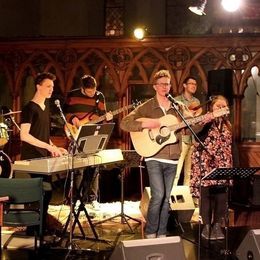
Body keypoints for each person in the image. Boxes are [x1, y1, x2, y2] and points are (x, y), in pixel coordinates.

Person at [120, 70, 206, 238]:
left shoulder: (178, 107)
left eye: (167, 84)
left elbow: (193, 128)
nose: (164, 87)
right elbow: (125, 123)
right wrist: (151, 123)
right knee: (158, 195)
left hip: (173, 157)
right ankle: (151, 232)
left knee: (167, 198)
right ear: (155, 86)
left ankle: (162, 233)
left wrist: (202, 119)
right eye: (161, 84)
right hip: (153, 156)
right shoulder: (147, 107)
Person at [20, 72, 67, 235]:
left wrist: (55, 147)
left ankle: (38, 227)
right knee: (42, 191)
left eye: (52, 87)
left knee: (47, 192)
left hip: (43, 155)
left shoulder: (46, 107)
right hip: (32, 156)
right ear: (38, 86)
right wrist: (48, 147)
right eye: (48, 86)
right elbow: (24, 135)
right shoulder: (29, 108)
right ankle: (34, 229)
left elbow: (44, 135)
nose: (51, 90)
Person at [64, 74, 113, 208]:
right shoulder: (72, 96)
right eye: (89, 91)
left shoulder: (99, 96)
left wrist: (107, 118)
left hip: (93, 134)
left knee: (94, 166)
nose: (92, 93)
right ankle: (74, 198)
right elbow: (64, 113)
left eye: (93, 90)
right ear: (83, 88)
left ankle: (92, 199)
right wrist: (73, 119)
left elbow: (103, 115)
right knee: (78, 169)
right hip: (76, 133)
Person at [189, 95, 232, 240]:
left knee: (221, 196)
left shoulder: (228, 125)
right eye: (217, 106)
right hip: (205, 163)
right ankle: (206, 226)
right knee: (206, 195)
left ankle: (217, 226)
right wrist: (208, 118)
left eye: (223, 106)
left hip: (223, 164)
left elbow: (231, 148)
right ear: (211, 108)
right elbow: (195, 132)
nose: (221, 109)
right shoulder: (206, 120)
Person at [173, 76, 201, 186]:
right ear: (185, 85)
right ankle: (171, 198)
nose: (194, 86)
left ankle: (187, 199)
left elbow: (196, 122)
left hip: (192, 139)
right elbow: (176, 119)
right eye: (191, 83)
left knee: (189, 172)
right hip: (181, 138)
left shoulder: (196, 101)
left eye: (195, 84)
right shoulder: (177, 100)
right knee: (177, 170)